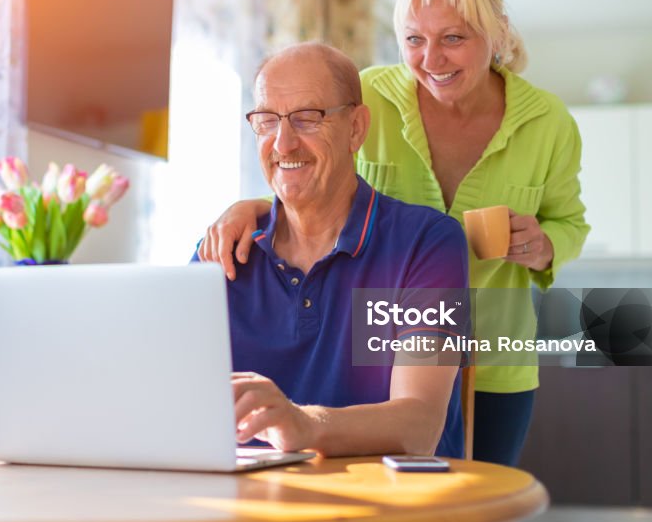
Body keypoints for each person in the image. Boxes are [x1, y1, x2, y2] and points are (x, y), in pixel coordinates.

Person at [199, 0, 590, 466]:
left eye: (454, 38)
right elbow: (310, 168)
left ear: (497, 33)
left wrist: (545, 245)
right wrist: (252, 207)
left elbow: (571, 222)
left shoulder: (548, 123)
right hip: (377, 348)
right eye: (414, 40)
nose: (432, 59)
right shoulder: (374, 97)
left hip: (492, 355)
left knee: (477, 514)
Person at [193, 42, 469, 458]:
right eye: (267, 121)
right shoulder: (222, 251)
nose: (283, 144)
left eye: (307, 119)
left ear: (356, 129)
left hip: (386, 510)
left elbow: (420, 425)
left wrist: (303, 424)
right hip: (239, 507)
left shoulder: (427, 244)